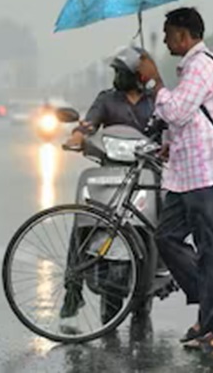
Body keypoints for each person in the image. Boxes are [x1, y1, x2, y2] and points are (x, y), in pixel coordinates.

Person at [138, 7, 213, 351]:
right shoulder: (191, 68)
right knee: (166, 237)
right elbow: (189, 119)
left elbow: (176, 111)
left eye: (168, 33)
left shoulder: (201, 66)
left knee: (212, 251)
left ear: (184, 35)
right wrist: (170, 145)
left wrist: (154, 82)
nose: (165, 39)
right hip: (185, 174)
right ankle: (211, 307)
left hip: (204, 174)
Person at [59, 46, 157, 319]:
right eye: (115, 72)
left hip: (146, 176)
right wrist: (78, 136)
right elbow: (88, 124)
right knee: (84, 223)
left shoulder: (156, 102)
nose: (116, 77)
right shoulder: (107, 100)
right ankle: (73, 288)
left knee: (154, 230)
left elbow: (169, 130)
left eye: (122, 72)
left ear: (138, 75)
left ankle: (151, 283)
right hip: (109, 175)